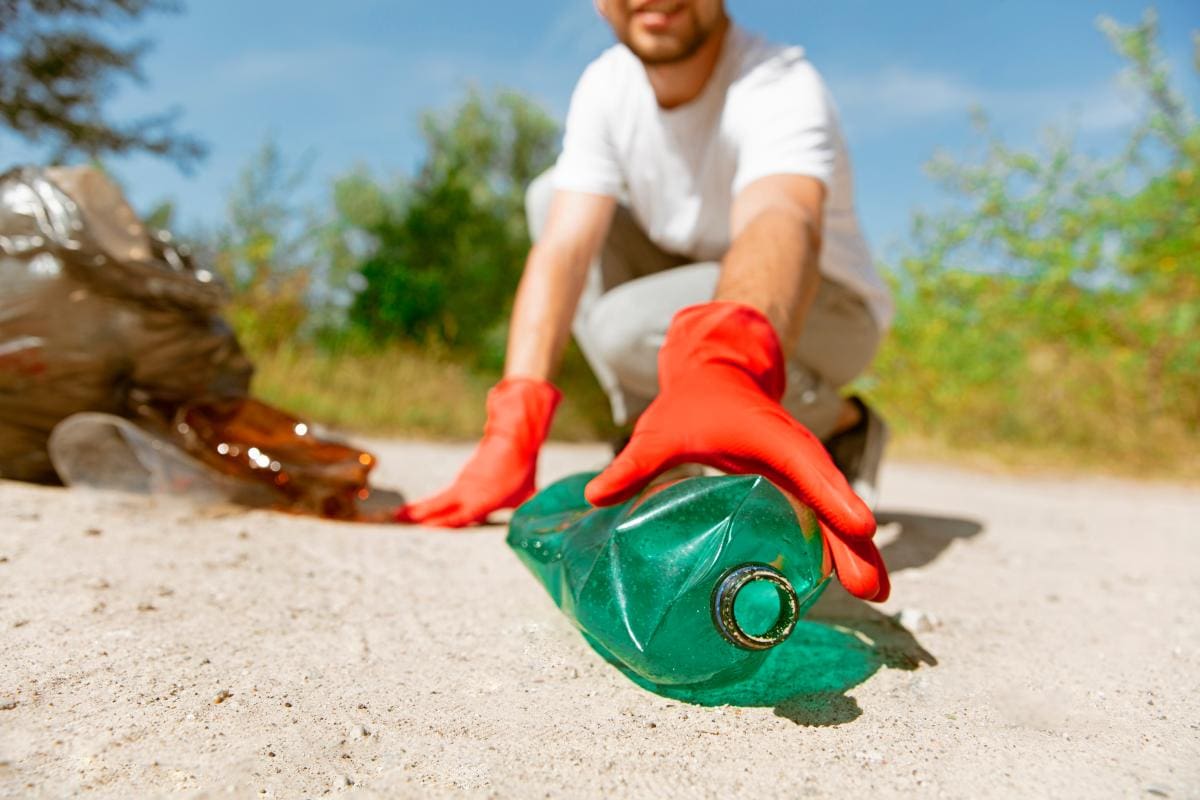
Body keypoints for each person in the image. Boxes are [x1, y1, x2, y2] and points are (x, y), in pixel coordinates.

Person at [398, 0, 892, 602]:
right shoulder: (607, 85)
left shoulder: (778, 82)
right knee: (552, 195)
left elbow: (781, 213)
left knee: (628, 330)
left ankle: (844, 425)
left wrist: (726, 362)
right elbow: (564, 249)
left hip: (826, 304)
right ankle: (658, 452)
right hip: (689, 285)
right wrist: (513, 426)